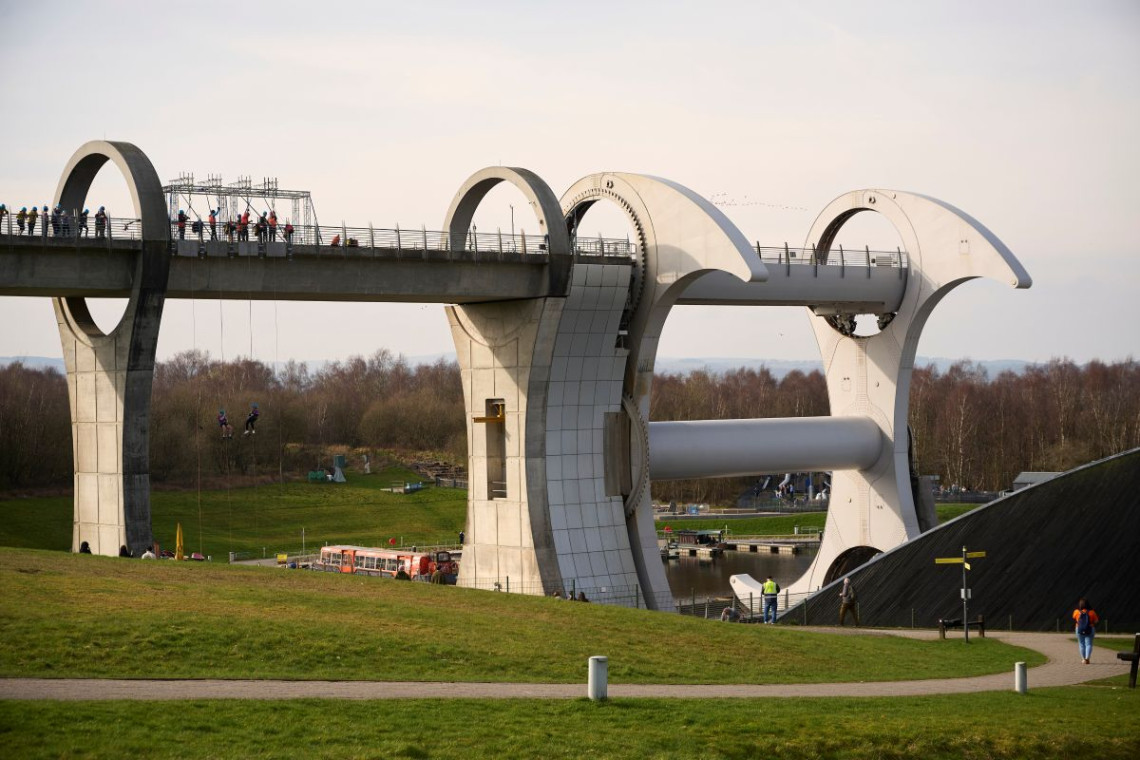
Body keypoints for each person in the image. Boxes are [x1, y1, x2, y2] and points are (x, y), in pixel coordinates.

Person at [1073, 598, 1099, 664]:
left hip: (1079, 628)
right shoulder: (1092, 612)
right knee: (1089, 644)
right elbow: (1096, 621)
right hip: (1090, 628)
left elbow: (1074, 618)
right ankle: (1087, 658)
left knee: (1081, 644)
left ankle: (1083, 659)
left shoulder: (1076, 611)